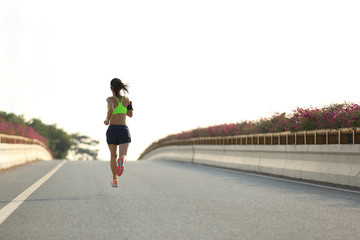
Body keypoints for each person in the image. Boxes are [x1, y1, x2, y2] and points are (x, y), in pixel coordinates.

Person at [104, 78, 133, 188]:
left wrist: (107, 119)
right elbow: (130, 114)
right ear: (121, 87)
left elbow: (111, 108)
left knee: (112, 155)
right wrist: (128, 105)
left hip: (112, 129)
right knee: (123, 155)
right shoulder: (126, 99)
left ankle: (115, 180)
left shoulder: (110, 99)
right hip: (123, 129)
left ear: (111, 88)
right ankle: (121, 161)